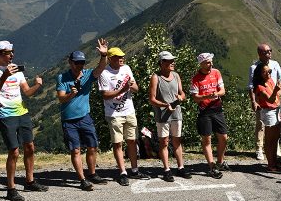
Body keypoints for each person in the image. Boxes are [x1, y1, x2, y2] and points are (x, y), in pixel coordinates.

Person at [0, 40, 47, 201]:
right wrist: (5, 75)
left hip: (22, 112)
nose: (11, 55)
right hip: (5, 114)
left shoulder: (17, 69)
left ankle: (30, 181)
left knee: (30, 147)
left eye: (12, 52)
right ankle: (11, 189)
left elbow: (27, 92)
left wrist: (37, 85)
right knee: (14, 151)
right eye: (7, 52)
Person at [57, 48, 109, 190]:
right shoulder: (62, 78)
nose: (80, 65)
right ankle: (82, 179)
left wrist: (104, 55)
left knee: (93, 146)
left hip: (85, 117)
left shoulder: (87, 75)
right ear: (70, 62)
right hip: (69, 120)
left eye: (82, 62)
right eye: (77, 62)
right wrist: (71, 95)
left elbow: (101, 67)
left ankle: (92, 173)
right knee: (75, 150)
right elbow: (61, 98)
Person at [97, 42, 142, 186]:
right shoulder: (104, 73)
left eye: (122, 56)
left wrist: (132, 86)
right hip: (114, 113)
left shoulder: (127, 68)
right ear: (110, 58)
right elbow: (105, 95)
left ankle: (134, 169)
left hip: (129, 110)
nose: (121, 59)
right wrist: (122, 90)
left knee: (132, 141)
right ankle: (122, 172)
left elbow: (136, 88)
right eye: (117, 57)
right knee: (118, 143)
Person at [149, 51, 191, 181]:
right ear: (162, 63)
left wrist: (181, 97)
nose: (172, 63)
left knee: (177, 141)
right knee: (164, 143)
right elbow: (152, 99)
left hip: (176, 114)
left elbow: (182, 93)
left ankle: (181, 168)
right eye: (169, 61)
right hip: (162, 116)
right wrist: (164, 105)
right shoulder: (156, 77)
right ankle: (167, 170)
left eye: (173, 60)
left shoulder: (176, 75)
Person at [190, 52, 229, 179]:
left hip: (217, 109)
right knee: (207, 139)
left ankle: (220, 162)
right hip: (204, 112)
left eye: (211, 61)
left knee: (223, 137)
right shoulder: (196, 78)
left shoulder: (216, 72)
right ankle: (212, 167)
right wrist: (207, 96)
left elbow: (223, 91)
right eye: (207, 62)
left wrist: (216, 93)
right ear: (201, 64)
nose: (210, 64)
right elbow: (195, 98)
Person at [248, 43, 281, 162]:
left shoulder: (275, 64)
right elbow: (251, 86)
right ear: (260, 54)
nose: (269, 53)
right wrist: (253, 101)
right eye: (266, 52)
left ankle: (276, 148)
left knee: (275, 123)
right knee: (261, 124)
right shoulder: (254, 67)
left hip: (274, 96)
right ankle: (259, 148)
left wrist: (279, 91)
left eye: (270, 50)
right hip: (262, 97)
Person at [253, 59, 281, 172]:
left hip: (275, 110)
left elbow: (276, 97)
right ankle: (270, 164)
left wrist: (278, 89)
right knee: (270, 139)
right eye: (265, 72)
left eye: (269, 71)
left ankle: (274, 161)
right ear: (259, 74)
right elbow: (270, 99)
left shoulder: (270, 80)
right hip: (268, 112)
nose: (268, 74)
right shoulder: (260, 88)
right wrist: (276, 90)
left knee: (275, 138)